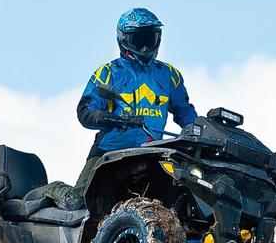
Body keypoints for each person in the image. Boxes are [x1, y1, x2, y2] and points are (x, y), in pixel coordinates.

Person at [77, 8, 198, 159]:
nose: (145, 48)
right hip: (108, 155)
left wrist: (199, 130)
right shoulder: (109, 73)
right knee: (85, 184)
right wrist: (107, 119)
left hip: (152, 155)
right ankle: (52, 184)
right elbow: (85, 110)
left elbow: (184, 111)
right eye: (139, 42)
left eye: (149, 40)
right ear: (124, 40)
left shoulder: (169, 75)